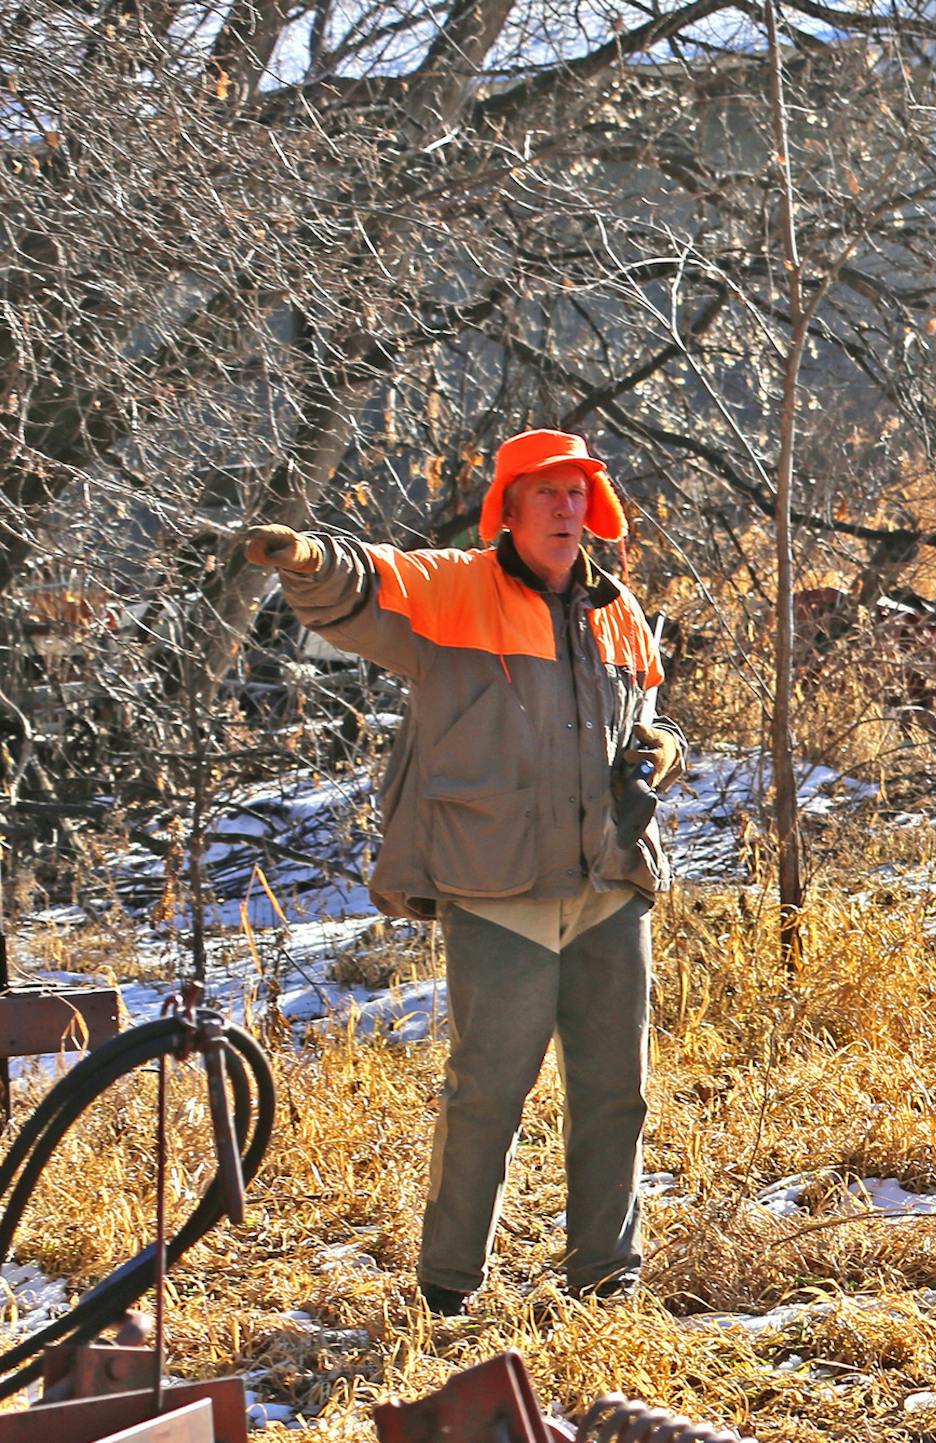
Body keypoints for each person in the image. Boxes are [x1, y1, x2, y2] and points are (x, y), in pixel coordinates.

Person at [241, 428, 687, 1315]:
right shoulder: (454, 588)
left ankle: (606, 1277)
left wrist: (663, 749)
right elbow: (362, 582)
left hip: (609, 882)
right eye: (547, 492)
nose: (565, 508)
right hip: (497, 888)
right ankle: (447, 1286)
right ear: (509, 509)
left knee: (618, 1094)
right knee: (486, 1094)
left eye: (577, 493)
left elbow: (650, 713)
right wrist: (302, 556)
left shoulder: (619, 609)